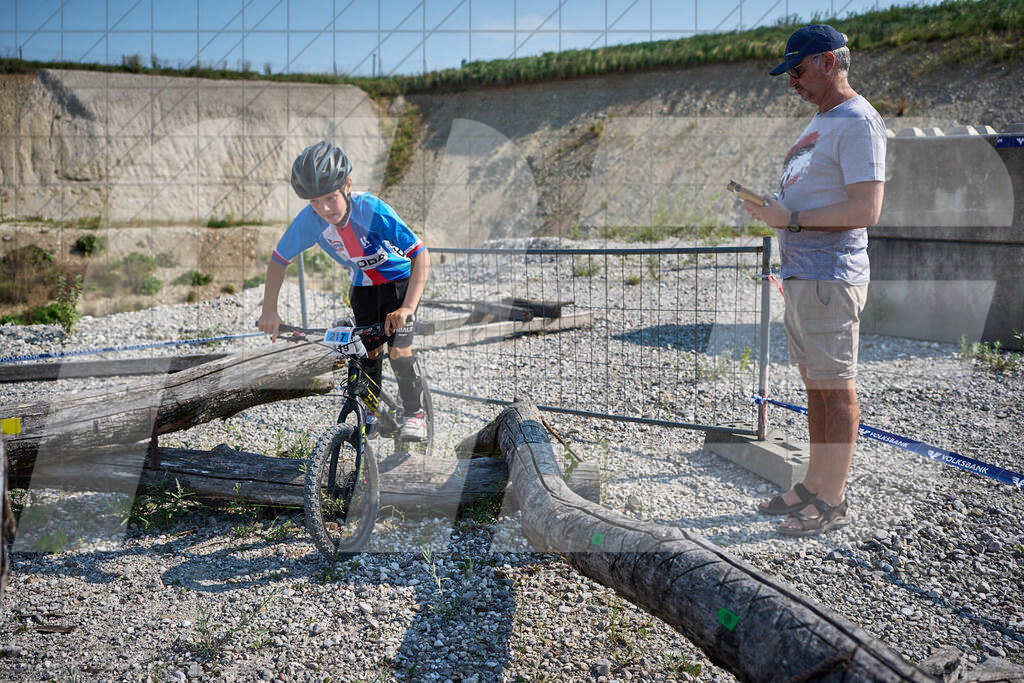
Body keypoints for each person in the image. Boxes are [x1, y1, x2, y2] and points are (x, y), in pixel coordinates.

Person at [742, 24, 886, 537]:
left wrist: (792, 221)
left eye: (798, 70)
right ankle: (813, 483)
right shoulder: (824, 122)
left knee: (837, 389)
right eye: (788, 74)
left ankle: (833, 499)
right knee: (816, 389)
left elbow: (866, 208)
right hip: (805, 273)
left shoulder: (857, 122)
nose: (792, 83)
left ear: (828, 62)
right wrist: (779, 211)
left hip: (830, 275)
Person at [257, 140, 431, 441]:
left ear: (347, 185)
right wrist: (269, 310)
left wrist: (408, 308)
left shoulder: (372, 209)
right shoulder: (309, 221)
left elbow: (421, 254)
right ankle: (372, 411)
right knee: (368, 352)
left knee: (398, 349)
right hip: (363, 288)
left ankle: (415, 413)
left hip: (399, 285)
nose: (323, 209)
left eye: (329, 197)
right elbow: (278, 259)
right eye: (314, 202)